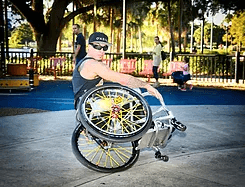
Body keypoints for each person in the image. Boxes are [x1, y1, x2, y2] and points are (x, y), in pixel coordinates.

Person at [72, 32, 163, 109]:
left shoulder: (90, 62)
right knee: (134, 94)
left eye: (105, 48)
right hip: (91, 105)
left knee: (128, 94)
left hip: (88, 103)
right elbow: (122, 79)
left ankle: (138, 125)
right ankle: (141, 126)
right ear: (89, 46)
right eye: (97, 47)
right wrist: (147, 86)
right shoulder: (92, 64)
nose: (101, 51)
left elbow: (112, 77)